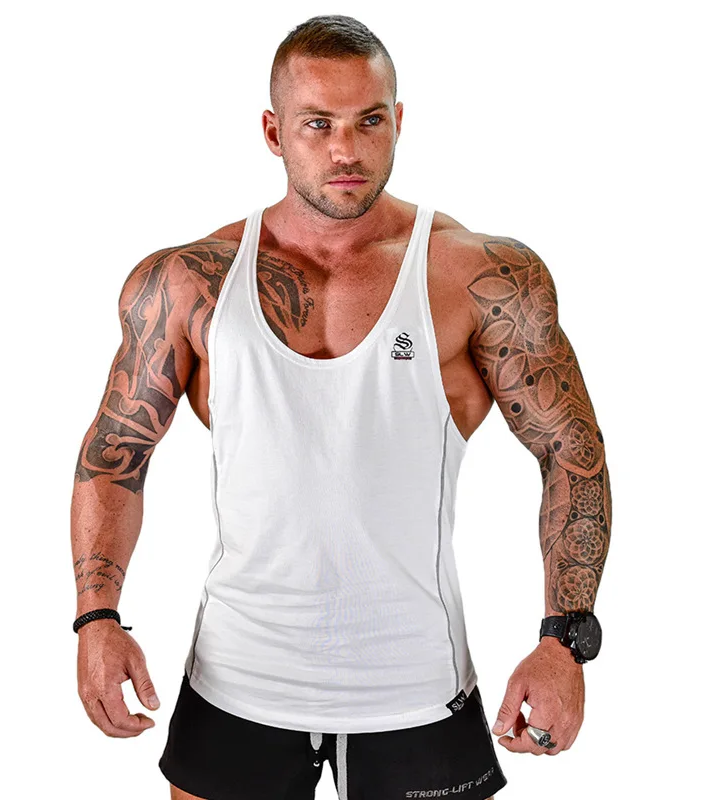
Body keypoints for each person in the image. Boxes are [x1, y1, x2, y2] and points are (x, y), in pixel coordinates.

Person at [70, 14, 612, 800]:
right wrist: (97, 618)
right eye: (318, 124)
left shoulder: (478, 276)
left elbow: (572, 453)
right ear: (274, 132)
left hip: (418, 687)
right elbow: (115, 454)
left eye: (369, 121)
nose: (346, 150)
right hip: (236, 680)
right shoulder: (189, 281)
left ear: (400, 121)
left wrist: (564, 640)